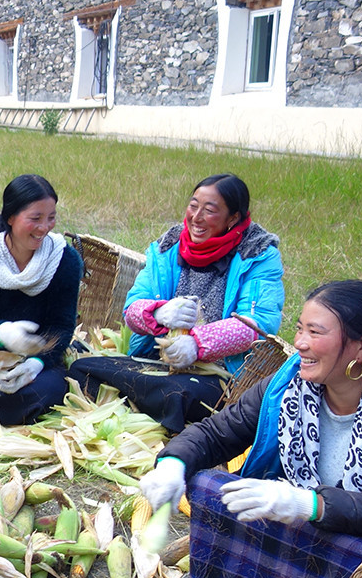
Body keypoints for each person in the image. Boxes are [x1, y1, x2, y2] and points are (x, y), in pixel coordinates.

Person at [138, 280, 362, 578]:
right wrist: (173, 464)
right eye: (299, 328)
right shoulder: (289, 384)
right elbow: (218, 432)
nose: (300, 343)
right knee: (211, 488)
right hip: (312, 528)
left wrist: (310, 503)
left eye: (315, 332)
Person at [68, 174, 284, 432]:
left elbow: (257, 324)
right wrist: (158, 314)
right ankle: (148, 403)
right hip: (157, 362)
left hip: (217, 375)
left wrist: (197, 344)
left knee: (181, 394)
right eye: (193, 206)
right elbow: (132, 308)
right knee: (82, 367)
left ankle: (140, 400)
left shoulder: (258, 255)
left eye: (210, 210)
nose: (196, 217)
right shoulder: (166, 248)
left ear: (233, 218)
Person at [0, 174, 83, 426]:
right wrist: (4, 333)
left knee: (40, 393)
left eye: (51, 218)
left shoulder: (65, 261)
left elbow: (60, 327)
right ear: (10, 218)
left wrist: (35, 363)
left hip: (43, 359)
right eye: (35, 218)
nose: (44, 228)